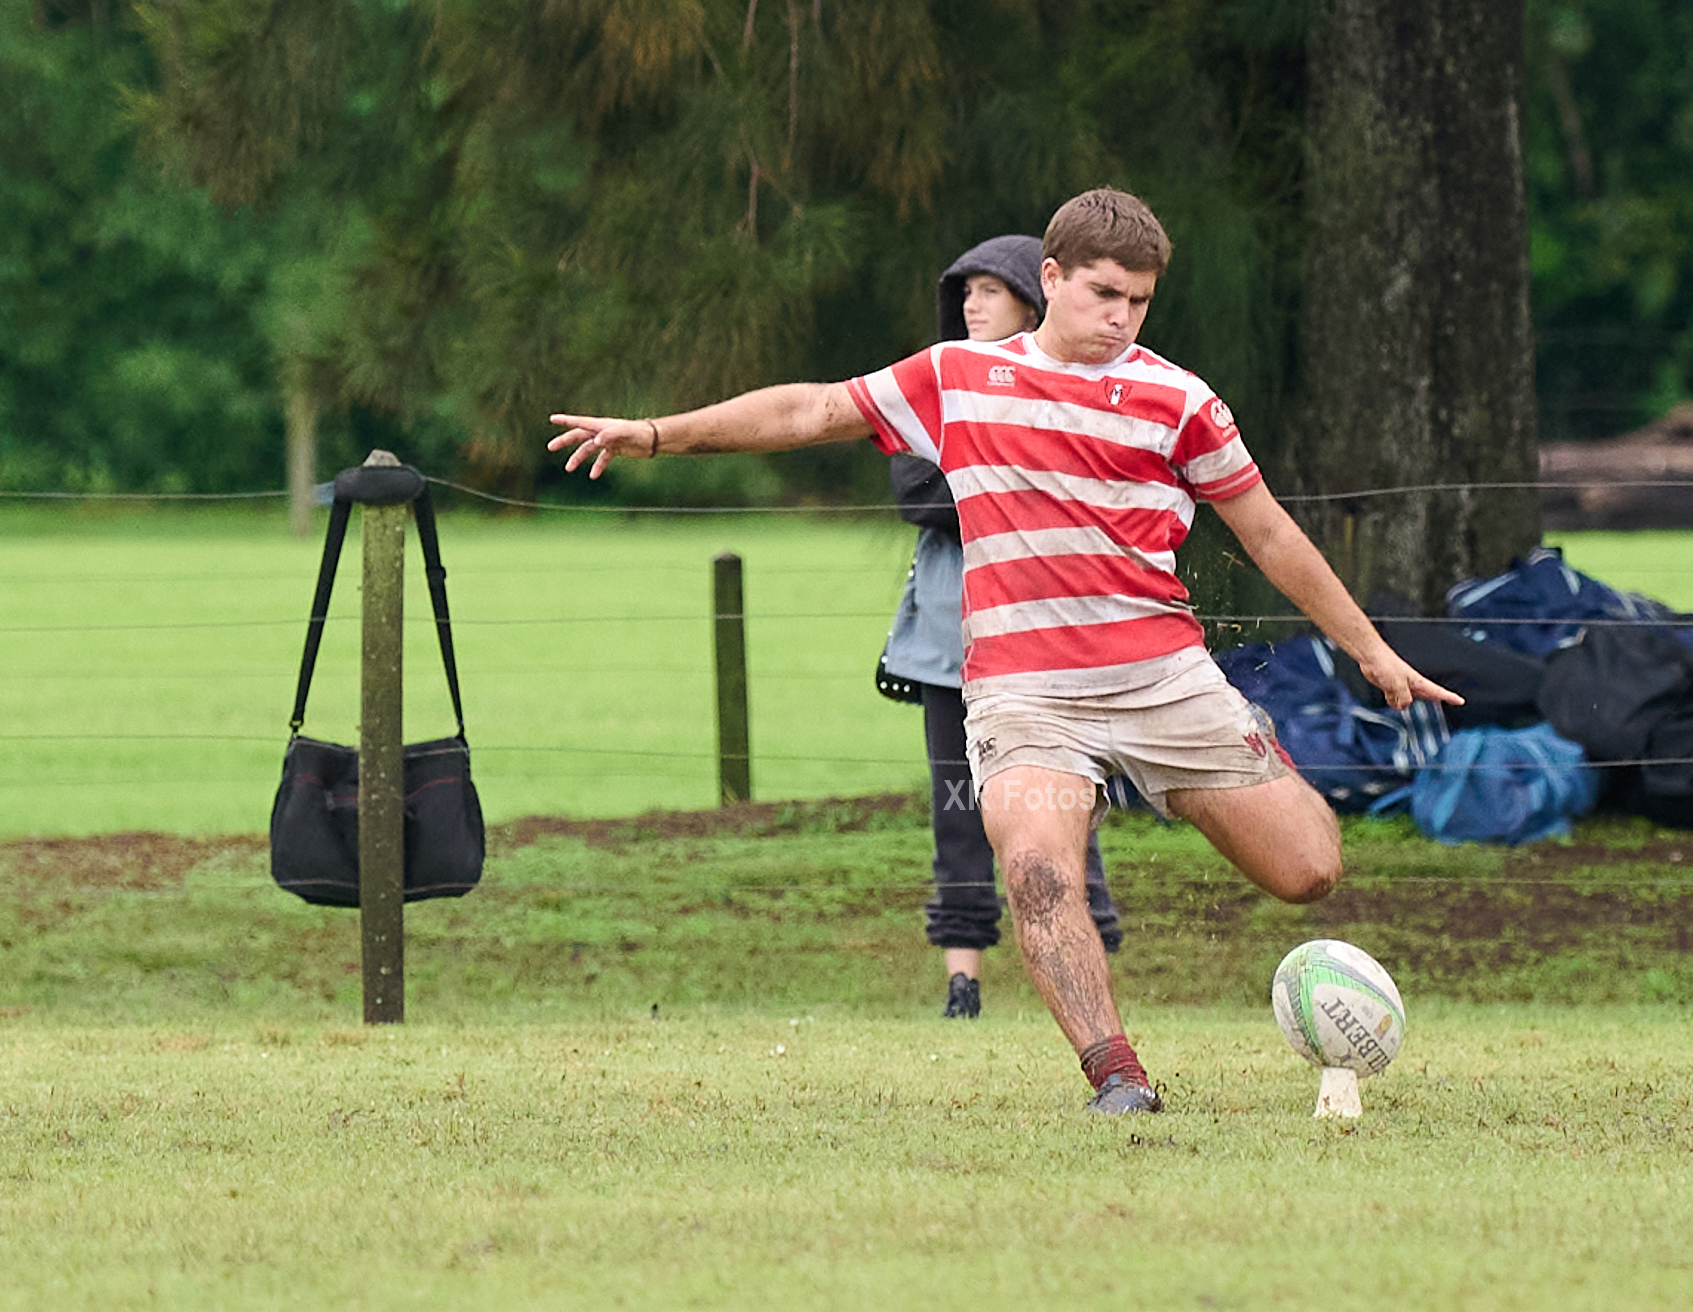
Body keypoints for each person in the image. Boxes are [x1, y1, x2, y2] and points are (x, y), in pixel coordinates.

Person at [550, 187, 1459, 1115]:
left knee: (1309, 871)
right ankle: (1118, 1080)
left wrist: (1372, 653)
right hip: (1024, 694)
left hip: (1163, 676)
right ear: (1052, 278)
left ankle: (1179, 777)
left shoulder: (1180, 401)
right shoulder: (958, 377)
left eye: (1141, 301)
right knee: (1035, 866)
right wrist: (657, 435)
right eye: (1105, 294)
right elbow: (808, 412)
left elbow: (1269, 537)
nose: (1123, 318)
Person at [880, 234, 1125, 1021]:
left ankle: (1089, 967)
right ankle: (964, 982)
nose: (970, 305)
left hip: (1050, 639)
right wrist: (1013, 487)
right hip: (950, 646)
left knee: (1062, 803)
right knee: (958, 805)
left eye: (988, 290)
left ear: (1031, 299)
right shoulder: (939, 382)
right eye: (965, 291)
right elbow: (917, 492)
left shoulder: (1076, 383)